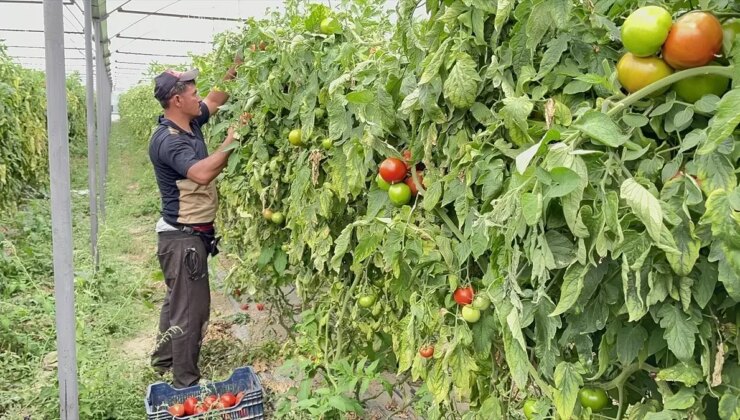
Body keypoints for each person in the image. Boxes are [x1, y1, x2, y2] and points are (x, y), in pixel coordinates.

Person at [148, 61, 239, 388]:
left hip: (182, 235)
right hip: (183, 239)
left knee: (176, 302)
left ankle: (162, 361)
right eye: (192, 92)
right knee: (191, 312)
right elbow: (201, 174)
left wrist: (237, 69)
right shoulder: (169, 140)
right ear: (176, 100)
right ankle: (185, 383)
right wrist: (232, 141)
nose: (198, 97)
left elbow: (214, 100)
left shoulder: (188, 120)